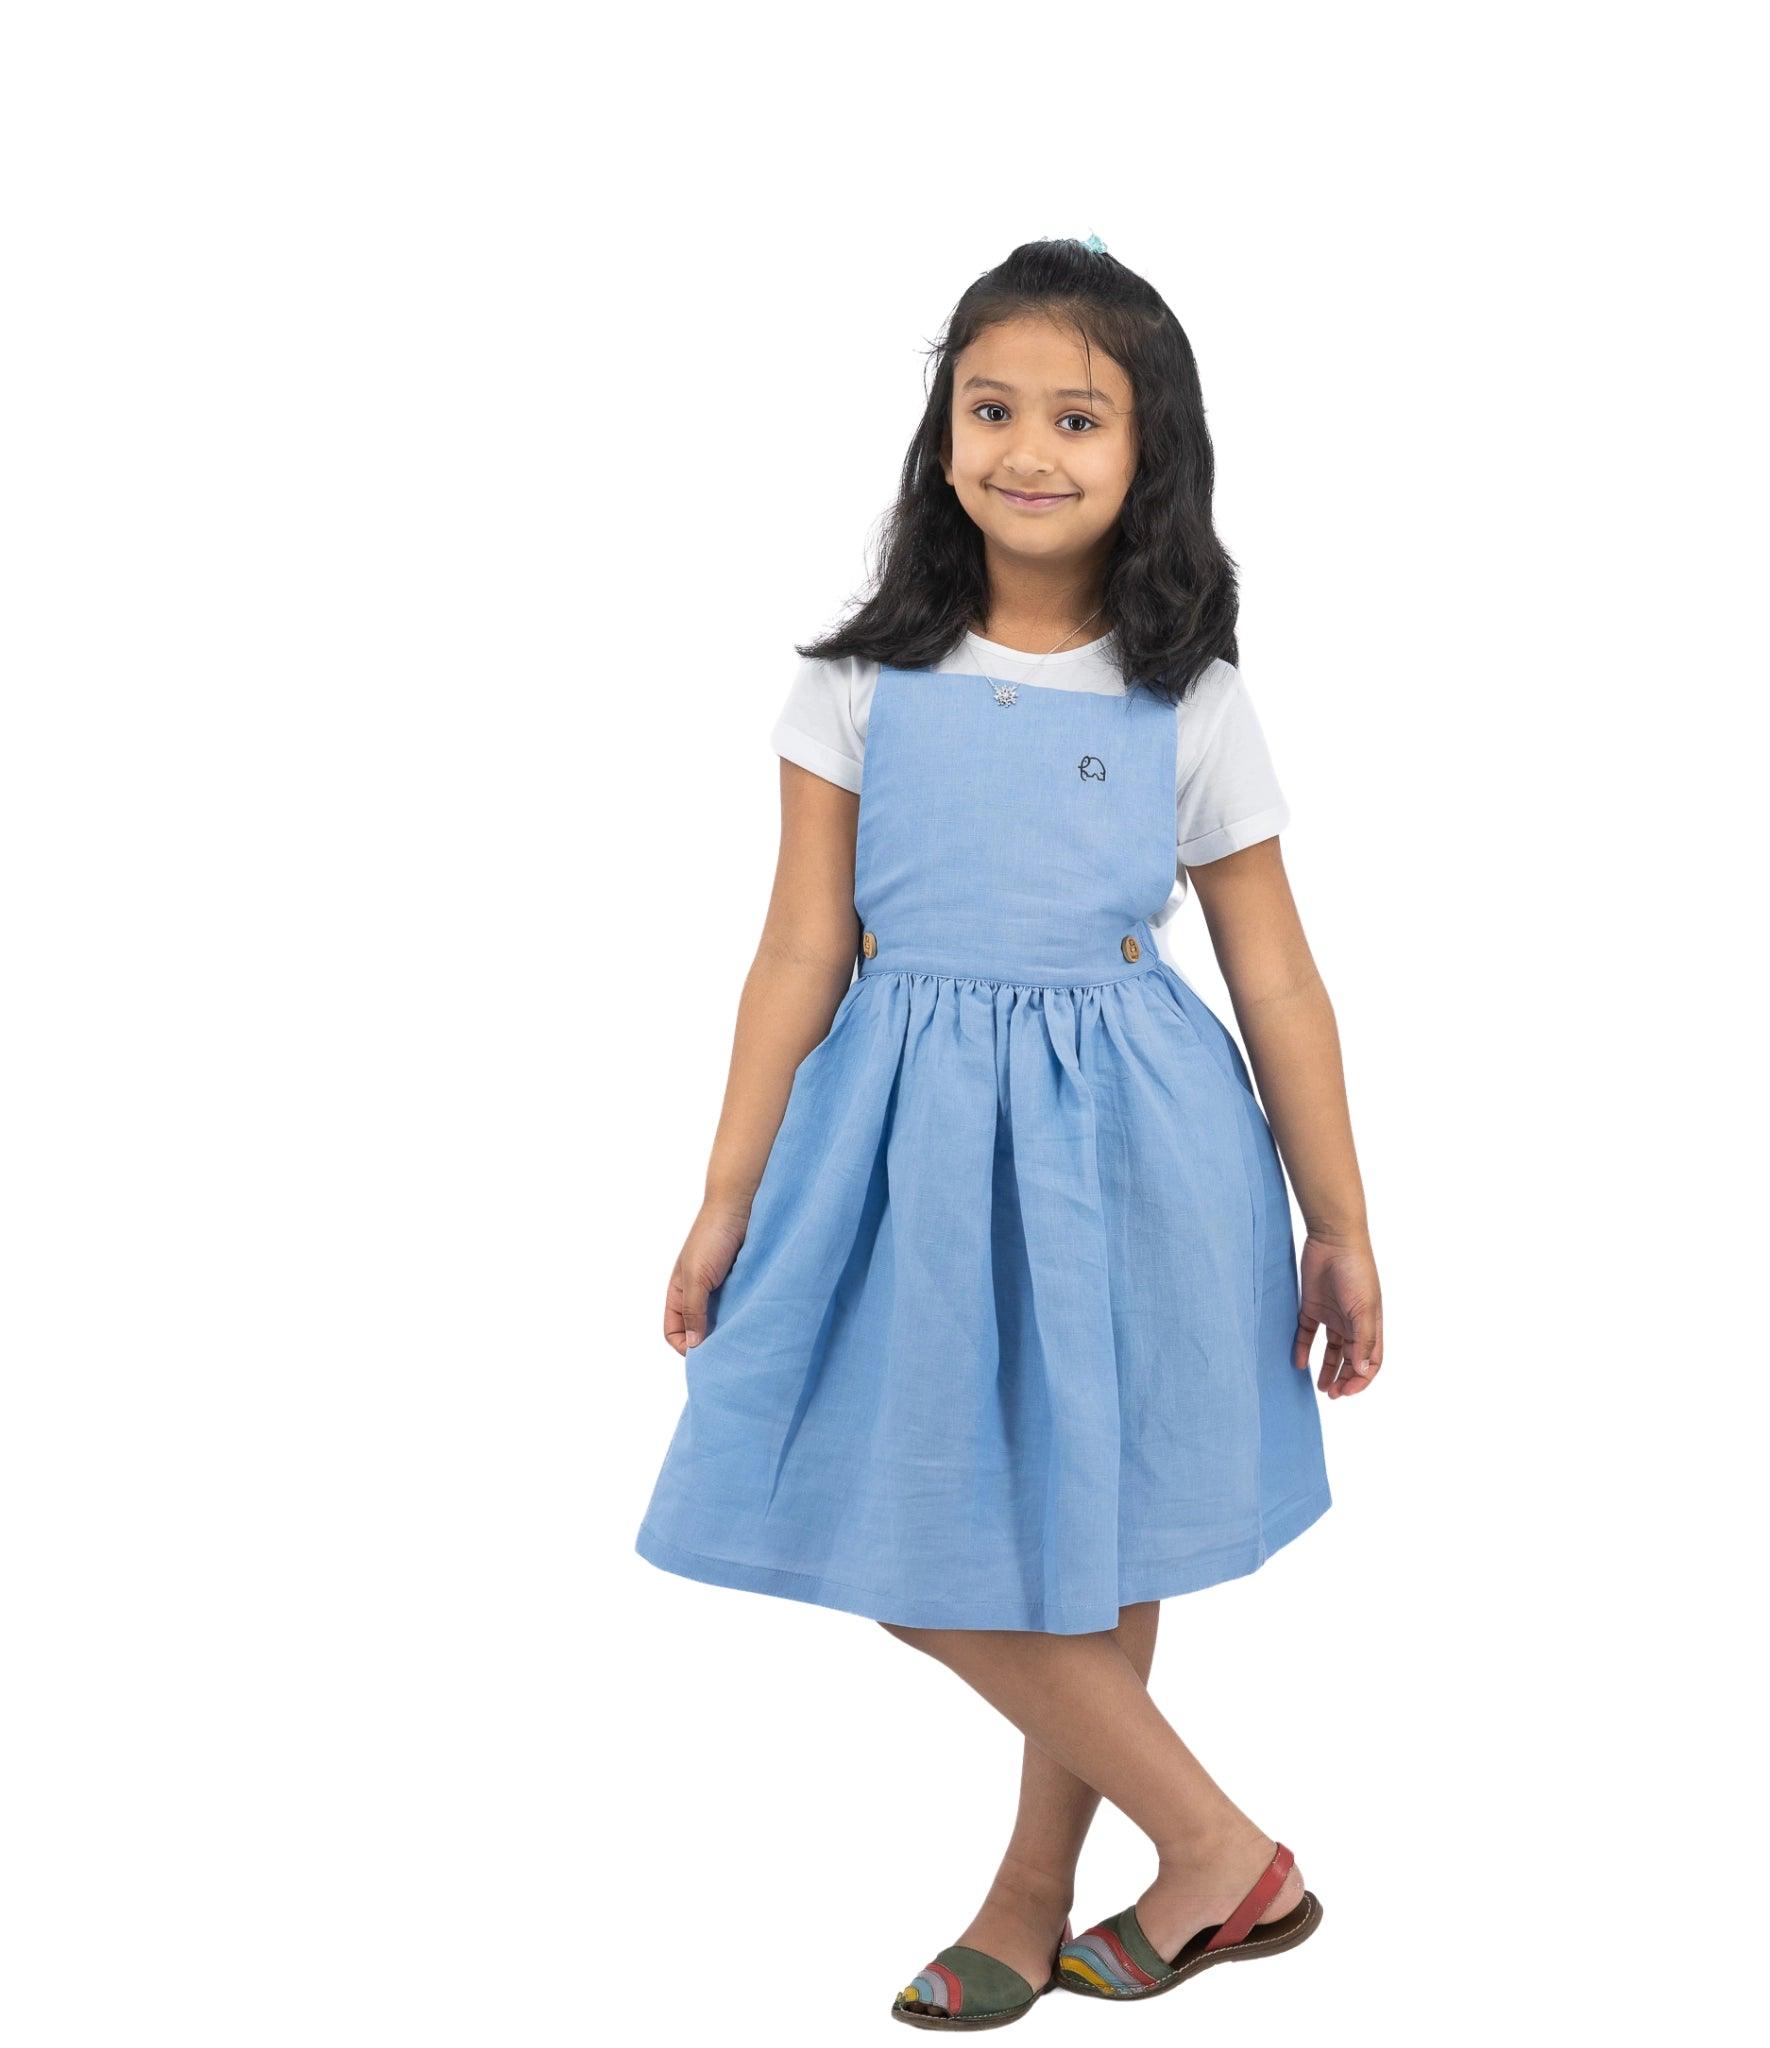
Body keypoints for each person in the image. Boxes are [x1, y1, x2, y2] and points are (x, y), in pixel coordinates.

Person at [635, 234, 1385, 2026]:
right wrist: (724, 1194)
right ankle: (1217, 1846)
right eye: (991, 406)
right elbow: (801, 946)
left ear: (1148, 455)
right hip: (896, 1150)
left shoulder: (1182, 693)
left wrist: (1341, 1215)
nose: (1027, 446)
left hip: (1139, 1146)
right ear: (940, 434)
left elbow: (1276, 977)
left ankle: (1037, 1887)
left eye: (1076, 413)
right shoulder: (852, 688)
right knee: (883, 1510)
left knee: (1091, 1524)